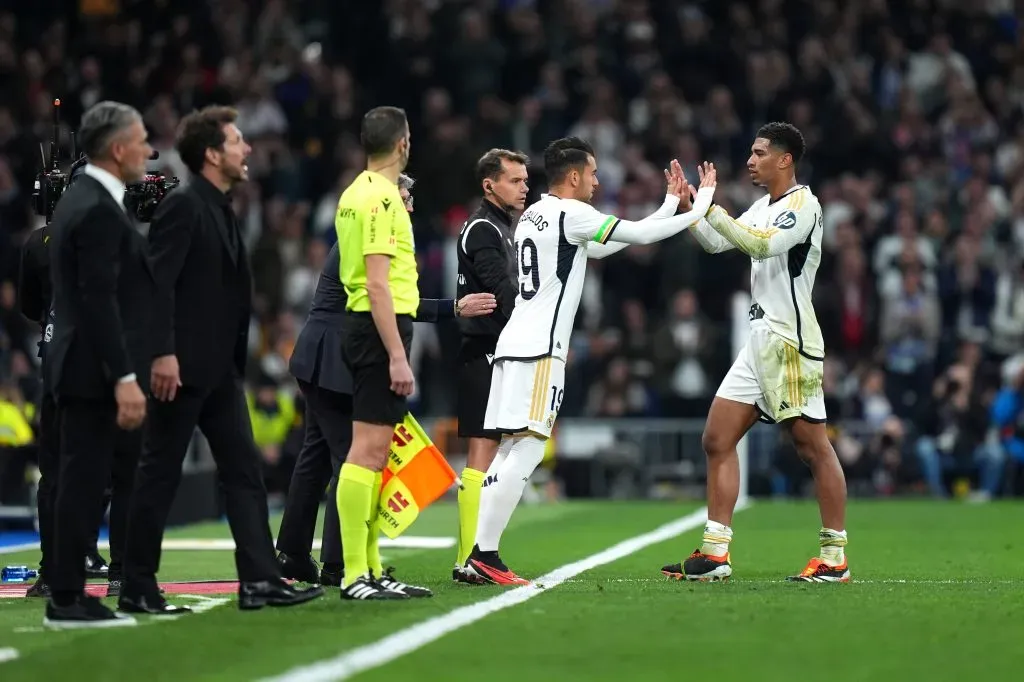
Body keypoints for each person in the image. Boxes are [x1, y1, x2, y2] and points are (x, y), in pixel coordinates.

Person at [462, 137, 717, 584]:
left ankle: (475, 555)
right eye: (594, 173)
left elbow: (603, 245)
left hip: (511, 346)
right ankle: (485, 554)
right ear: (574, 176)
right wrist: (702, 205)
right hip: (540, 349)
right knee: (528, 447)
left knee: (506, 450)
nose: (599, 182)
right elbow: (638, 235)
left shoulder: (535, 215)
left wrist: (667, 205)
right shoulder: (571, 213)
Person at [118, 105, 323, 614]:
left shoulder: (220, 207)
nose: (247, 148)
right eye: (236, 141)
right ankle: (136, 582)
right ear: (212, 154)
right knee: (159, 473)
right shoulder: (183, 205)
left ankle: (259, 580)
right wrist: (162, 353)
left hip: (218, 372)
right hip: (181, 369)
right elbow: (156, 285)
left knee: (244, 472)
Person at [276, 172, 495, 589]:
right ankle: (342, 565)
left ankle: (292, 552)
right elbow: (390, 301)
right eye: (406, 198)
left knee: (317, 455)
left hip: (317, 354)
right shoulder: (374, 237)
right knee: (352, 459)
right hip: (339, 358)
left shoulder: (355, 230)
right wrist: (452, 309)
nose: (410, 207)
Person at [659, 122, 850, 583]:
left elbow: (762, 244)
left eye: (759, 152)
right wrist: (692, 211)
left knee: (812, 447)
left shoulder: (804, 205)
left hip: (790, 341)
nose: (750, 160)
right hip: (757, 342)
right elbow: (718, 242)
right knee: (716, 439)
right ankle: (715, 553)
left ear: (785, 160)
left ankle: (834, 557)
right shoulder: (763, 205)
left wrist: (710, 206)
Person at [42, 100, 153, 628]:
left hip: (80, 362)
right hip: (90, 368)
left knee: (80, 481)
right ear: (117, 149)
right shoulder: (94, 208)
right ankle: (65, 597)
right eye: (141, 139)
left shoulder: (82, 199)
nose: (149, 149)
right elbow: (98, 300)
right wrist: (125, 376)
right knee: (82, 482)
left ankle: (68, 592)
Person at [19, 216, 119, 598]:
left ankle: (55, 569)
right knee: (109, 470)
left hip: (56, 363)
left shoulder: (39, 241)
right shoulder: (110, 233)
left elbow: (30, 306)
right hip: (100, 368)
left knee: (56, 473)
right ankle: (115, 570)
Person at [452, 148, 528, 582]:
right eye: (515, 180)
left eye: (524, 179)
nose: (524, 187)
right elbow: (504, 289)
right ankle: (470, 558)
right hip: (482, 351)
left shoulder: (499, 228)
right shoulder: (484, 229)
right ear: (489, 184)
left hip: (492, 351)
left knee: (494, 449)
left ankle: (472, 556)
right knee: (482, 452)